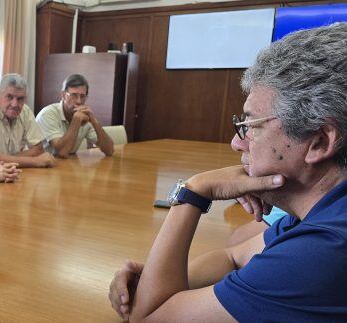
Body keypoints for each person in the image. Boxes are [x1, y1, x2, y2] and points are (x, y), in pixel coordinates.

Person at [109, 23, 347, 321]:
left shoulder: (323, 248)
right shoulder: (325, 209)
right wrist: (154, 279)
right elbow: (233, 258)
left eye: (252, 125)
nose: (237, 142)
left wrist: (194, 191)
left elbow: (149, 316)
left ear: (320, 142)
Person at [0, 73, 55, 168]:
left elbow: (38, 149)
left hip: (9, 172)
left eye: (20, 99)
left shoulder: (25, 111)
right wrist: (34, 161)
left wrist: (4, 159)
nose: (15, 104)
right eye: (9, 97)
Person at [35, 74, 114, 158]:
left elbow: (109, 150)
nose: (79, 101)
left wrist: (94, 121)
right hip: (42, 167)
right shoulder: (48, 114)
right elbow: (62, 152)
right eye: (74, 95)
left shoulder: (84, 116)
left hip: (66, 166)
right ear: (63, 95)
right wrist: (76, 120)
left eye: (82, 96)